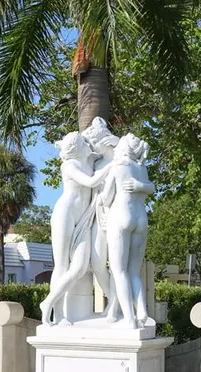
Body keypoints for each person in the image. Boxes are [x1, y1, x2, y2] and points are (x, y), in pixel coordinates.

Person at [41, 132, 111, 326]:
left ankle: (47, 302)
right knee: (62, 265)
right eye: (83, 142)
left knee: (79, 266)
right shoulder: (69, 165)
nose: (87, 143)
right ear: (77, 148)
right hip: (65, 214)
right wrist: (115, 166)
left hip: (83, 220)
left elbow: (104, 151)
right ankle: (57, 313)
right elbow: (91, 182)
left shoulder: (89, 161)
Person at [102, 134, 155, 329]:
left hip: (121, 215)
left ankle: (130, 319)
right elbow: (151, 187)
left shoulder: (118, 166)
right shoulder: (141, 167)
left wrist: (100, 199)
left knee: (119, 271)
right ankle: (141, 309)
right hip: (141, 219)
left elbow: (107, 197)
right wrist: (140, 186)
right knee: (134, 271)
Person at [80, 117, 120, 321]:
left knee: (117, 264)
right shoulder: (97, 163)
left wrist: (117, 143)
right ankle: (114, 299)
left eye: (92, 142)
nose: (91, 147)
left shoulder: (121, 158)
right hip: (98, 212)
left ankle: (115, 306)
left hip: (116, 215)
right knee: (97, 262)